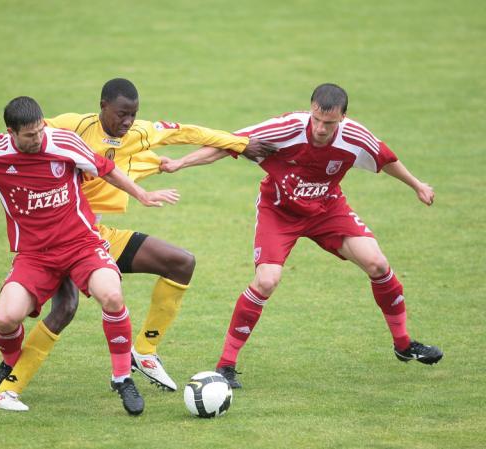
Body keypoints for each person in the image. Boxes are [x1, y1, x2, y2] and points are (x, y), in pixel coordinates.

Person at [0, 78, 276, 402]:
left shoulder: (139, 136)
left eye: (132, 115)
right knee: (64, 308)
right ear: (102, 107)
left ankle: (145, 350)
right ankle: (10, 376)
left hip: (97, 236)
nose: (127, 122)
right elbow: (25, 133)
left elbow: (188, 132)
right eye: (121, 114)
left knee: (181, 262)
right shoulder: (72, 127)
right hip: (57, 235)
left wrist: (239, 142)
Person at [0, 96, 180, 415]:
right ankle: (11, 364)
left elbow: (106, 169)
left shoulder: (63, 142)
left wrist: (142, 194)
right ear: (11, 132)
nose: (38, 138)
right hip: (35, 255)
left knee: (111, 295)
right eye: (29, 135)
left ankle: (122, 378)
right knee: (6, 318)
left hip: (80, 244)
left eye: (40, 130)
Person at [160, 83, 443, 388]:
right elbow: (227, 142)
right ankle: (226, 365)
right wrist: (179, 163)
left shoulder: (355, 136)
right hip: (278, 212)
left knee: (377, 263)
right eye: (317, 119)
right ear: (311, 110)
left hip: (327, 209)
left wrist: (417, 185)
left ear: (343, 117)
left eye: (330, 123)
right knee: (267, 280)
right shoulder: (285, 128)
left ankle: (403, 345)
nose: (321, 128)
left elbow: (386, 158)